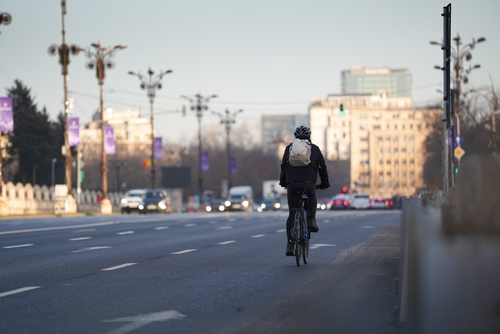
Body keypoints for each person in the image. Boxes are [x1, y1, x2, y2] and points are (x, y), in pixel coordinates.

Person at [279, 125, 330, 256]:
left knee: (292, 213)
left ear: (295, 137)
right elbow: (322, 168)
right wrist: (325, 183)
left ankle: (290, 243)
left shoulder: (289, 148)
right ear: (309, 136)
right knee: (312, 195)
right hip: (309, 182)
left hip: (292, 183)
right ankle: (312, 220)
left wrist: (284, 182)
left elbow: (284, 166)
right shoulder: (315, 149)